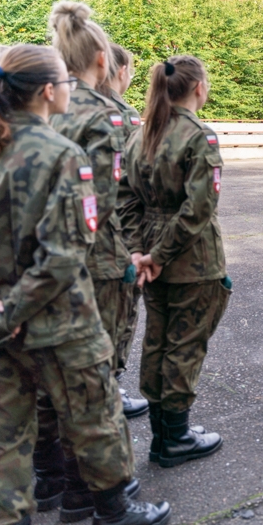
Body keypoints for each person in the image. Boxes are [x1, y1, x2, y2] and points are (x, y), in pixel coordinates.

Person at [0, 44, 171, 525]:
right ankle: (114, 510)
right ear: (49, 91)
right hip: (59, 320)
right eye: (66, 85)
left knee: (3, 440)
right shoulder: (60, 154)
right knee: (95, 412)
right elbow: (64, 256)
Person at [46, 0, 142, 521]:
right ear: (102, 61)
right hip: (94, 264)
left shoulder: (44, 107)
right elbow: (103, 205)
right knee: (93, 382)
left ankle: (52, 481)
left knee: (51, 380)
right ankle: (93, 492)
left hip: (40, 261)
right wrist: (131, 255)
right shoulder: (103, 115)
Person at [119, 55, 229, 468]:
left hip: (150, 256)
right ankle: (174, 438)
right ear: (198, 87)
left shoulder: (141, 134)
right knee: (185, 345)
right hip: (191, 261)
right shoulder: (199, 136)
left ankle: (165, 433)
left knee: (158, 340)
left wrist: (139, 251)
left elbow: (125, 199)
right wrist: (161, 255)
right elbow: (198, 208)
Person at [104, 42, 150, 419]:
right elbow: (135, 184)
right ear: (120, 71)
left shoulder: (65, 108)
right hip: (116, 237)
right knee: (120, 315)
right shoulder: (123, 115)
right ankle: (110, 388)